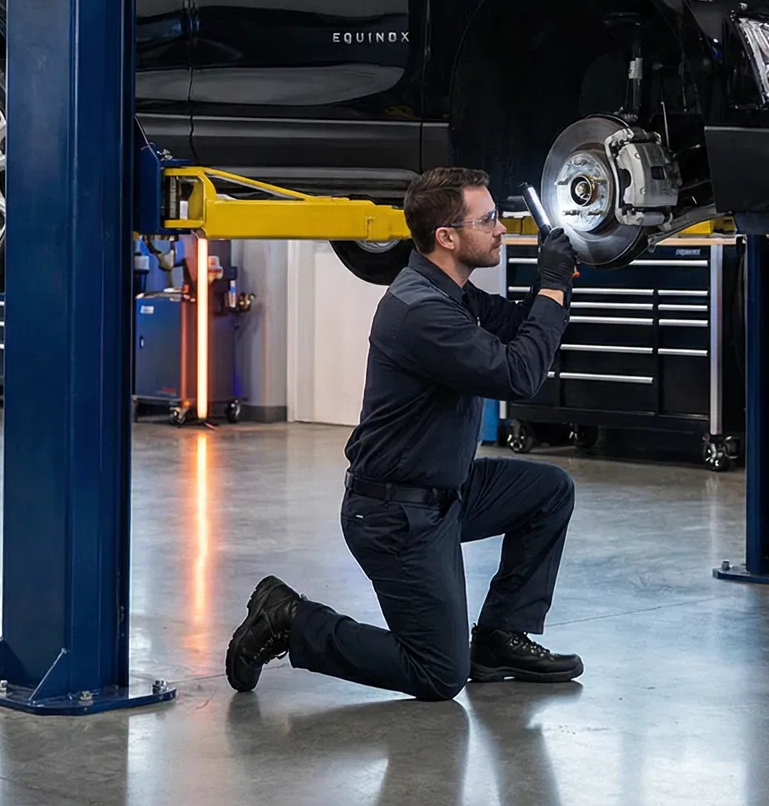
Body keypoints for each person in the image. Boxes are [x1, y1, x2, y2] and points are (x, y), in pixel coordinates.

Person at [226, 166, 585, 701]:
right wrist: (552, 287)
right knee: (439, 674)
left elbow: (518, 328)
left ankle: (500, 637)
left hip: (447, 491)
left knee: (549, 493)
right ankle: (291, 619)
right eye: (488, 220)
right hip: (395, 515)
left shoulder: (452, 293)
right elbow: (519, 374)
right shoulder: (422, 311)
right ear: (447, 237)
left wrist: (551, 283)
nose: (501, 230)